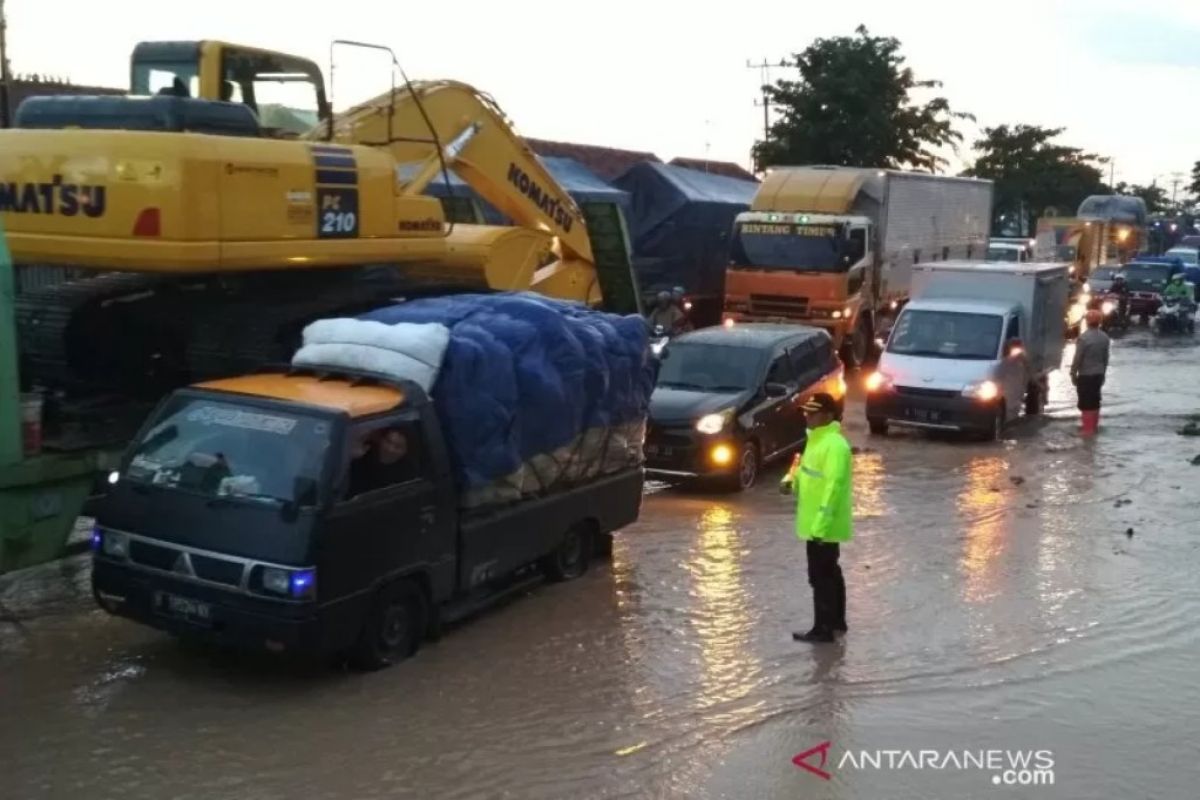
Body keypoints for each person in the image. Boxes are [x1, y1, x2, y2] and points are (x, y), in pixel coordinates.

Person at [780, 393, 853, 644]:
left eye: (812, 413)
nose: (807, 417)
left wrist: (820, 527)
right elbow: (808, 473)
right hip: (816, 525)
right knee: (829, 573)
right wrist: (792, 482)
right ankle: (836, 623)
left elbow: (834, 488)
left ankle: (823, 629)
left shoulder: (835, 446)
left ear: (828, 416)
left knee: (821, 577)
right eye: (806, 412)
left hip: (822, 527)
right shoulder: (816, 440)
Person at [1071, 310, 1110, 435]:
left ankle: (1087, 431)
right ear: (1100, 322)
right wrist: (1103, 374)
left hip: (1086, 375)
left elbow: (1078, 358)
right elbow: (1105, 358)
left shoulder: (1083, 338)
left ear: (1087, 322)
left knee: (1086, 403)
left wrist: (1073, 373)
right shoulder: (1105, 337)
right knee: (1095, 401)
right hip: (1098, 374)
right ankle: (1093, 428)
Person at [348, 428, 415, 496]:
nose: (390, 449)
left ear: (405, 451)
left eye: (398, 447)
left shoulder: (408, 473)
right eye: (388, 441)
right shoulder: (362, 458)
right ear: (381, 440)